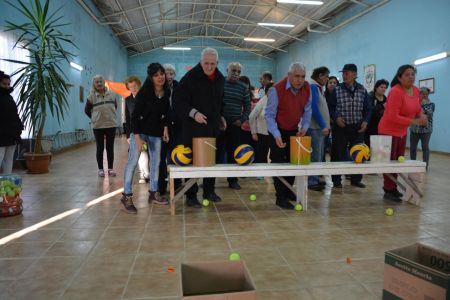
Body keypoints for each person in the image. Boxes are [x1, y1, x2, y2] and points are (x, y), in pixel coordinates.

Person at [174, 47, 226, 208]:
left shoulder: (220, 79)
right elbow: (177, 101)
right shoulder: (190, 78)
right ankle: (191, 195)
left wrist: (221, 116)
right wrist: (193, 112)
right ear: (200, 62)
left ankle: (209, 191)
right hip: (193, 128)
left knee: (211, 161)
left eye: (213, 64)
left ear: (217, 63)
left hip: (212, 128)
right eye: (206, 63)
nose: (209, 67)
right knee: (194, 162)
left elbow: (219, 101)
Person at [123, 63, 170, 211]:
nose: (160, 77)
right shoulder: (144, 93)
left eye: (162, 73)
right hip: (140, 131)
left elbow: (166, 112)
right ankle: (127, 195)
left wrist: (166, 128)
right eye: (156, 75)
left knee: (155, 164)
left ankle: (153, 193)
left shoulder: (166, 92)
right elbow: (135, 116)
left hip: (156, 133)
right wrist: (136, 137)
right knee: (132, 163)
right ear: (151, 77)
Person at [265, 62, 312, 209]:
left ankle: (288, 190)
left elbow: (308, 110)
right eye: (297, 76)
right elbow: (269, 115)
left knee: (294, 162)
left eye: (303, 76)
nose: (300, 80)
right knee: (279, 163)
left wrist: (304, 127)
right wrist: (277, 135)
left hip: (294, 130)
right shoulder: (276, 90)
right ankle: (280, 197)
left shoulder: (307, 88)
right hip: (277, 130)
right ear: (289, 75)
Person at [378, 65, 427, 202]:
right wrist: (415, 122)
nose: (411, 77)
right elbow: (392, 116)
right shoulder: (395, 92)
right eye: (407, 74)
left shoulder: (416, 91)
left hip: (401, 132)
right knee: (387, 163)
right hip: (387, 132)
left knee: (397, 162)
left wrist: (422, 115)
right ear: (399, 77)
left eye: (413, 74)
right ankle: (388, 190)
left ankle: (393, 188)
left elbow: (417, 109)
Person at [329, 64, 372, 188]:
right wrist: (336, 117)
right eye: (343, 73)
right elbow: (331, 107)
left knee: (359, 153)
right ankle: (336, 181)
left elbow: (368, 109)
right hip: (341, 127)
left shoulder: (362, 90)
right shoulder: (337, 90)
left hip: (358, 127)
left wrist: (365, 121)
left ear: (354, 75)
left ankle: (356, 179)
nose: (343, 75)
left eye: (346, 73)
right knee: (337, 153)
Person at [217, 62, 251, 190]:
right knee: (216, 153)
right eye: (233, 70)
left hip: (235, 126)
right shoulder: (220, 84)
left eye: (238, 71)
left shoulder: (243, 87)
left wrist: (241, 120)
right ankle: (210, 181)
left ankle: (232, 181)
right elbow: (215, 103)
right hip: (220, 126)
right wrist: (219, 119)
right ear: (227, 70)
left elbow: (248, 107)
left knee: (233, 154)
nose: (236, 73)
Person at [84, 75, 118, 177]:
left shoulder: (112, 94)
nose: (99, 84)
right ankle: (100, 169)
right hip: (98, 126)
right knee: (100, 147)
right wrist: (94, 118)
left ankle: (110, 169)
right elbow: (86, 110)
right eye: (97, 82)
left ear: (104, 83)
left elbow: (114, 107)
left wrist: (109, 115)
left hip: (111, 124)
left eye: (100, 82)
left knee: (110, 147)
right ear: (94, 84)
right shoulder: (91, 97)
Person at [158, 64, 180, 195]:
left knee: (175, 156)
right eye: (167, 73)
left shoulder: (179, 86)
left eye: (172, 73)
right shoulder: (157, 88)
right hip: (161, 128)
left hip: (176, 128)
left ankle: (177, 185)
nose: (169, 76)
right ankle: (161, 187)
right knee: (161, 159)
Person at [123, 76, 149, 185]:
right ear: (128, 88)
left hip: (148, 130)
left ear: (139, 85)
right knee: (140, 154)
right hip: (135, 132)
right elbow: (128, 119)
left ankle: (149, 174)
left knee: (148, 153)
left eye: (135, 86)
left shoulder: (147, 97)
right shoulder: (127, 100)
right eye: (131, 87)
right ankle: (143, 174)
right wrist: (128, 135)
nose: (133, 88)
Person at [308, 66, 331, 191]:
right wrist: (323, 125)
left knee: (319, 155)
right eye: (327, 76)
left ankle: (315, 178)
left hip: (319, 128)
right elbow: (314, 109)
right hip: (315, 128)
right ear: (320, 75)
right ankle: (312, 181)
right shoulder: (313, 87)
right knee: (315, 156)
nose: (327, 79)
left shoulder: (318, 88)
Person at [0, 71, 23, 174]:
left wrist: (19, 126)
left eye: (8, 84)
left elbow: (14, 114)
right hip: (1, 134)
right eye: (4, 84)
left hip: (12, 133)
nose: (7, 86)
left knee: (9, 160)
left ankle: (6, 182)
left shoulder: (10, 97)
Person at [410, 87, 434, 170]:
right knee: (413, 148)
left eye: (426, 94)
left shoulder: (431, 104)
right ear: (419, 94)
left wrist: (422, 108)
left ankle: (425, 166)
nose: (424, 95)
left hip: (426, 130)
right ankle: (412, 164)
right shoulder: (413, 102)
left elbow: (429, 116)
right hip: (414, 129)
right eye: (422, 93)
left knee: (425, 147)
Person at [249, 81, 271, 165]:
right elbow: (251, 116)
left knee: (275, 155)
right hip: (262, 133)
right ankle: (260, 174)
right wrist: (253, 133)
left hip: (274, 134)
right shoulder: (263, 100)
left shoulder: (278, 100)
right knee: (261, 155)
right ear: (266, 92)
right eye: (270, 91)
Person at [365, 79, 389, 146]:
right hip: (370, 128)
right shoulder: (370, 96)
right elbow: (369, 111)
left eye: (385, 88)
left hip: (382, 128)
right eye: (381, 87)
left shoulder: (385, 98)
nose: (383, 89)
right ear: (376, 87)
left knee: (380, 151)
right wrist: (382, 106)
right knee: (371, 149)